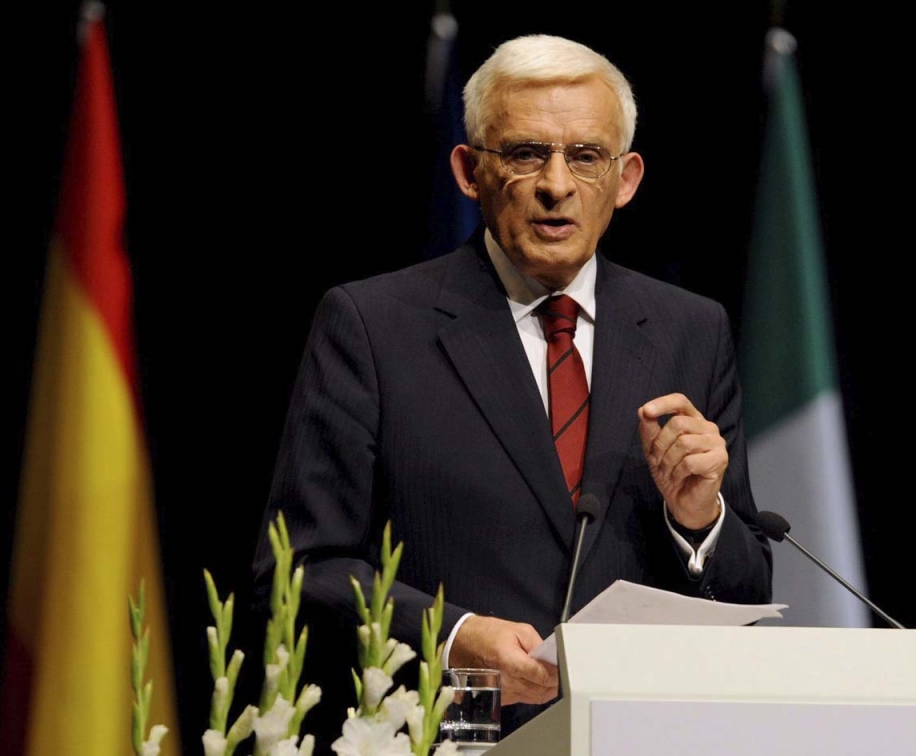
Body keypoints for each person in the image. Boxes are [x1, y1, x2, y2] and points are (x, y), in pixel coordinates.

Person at [253, 33, 772, 752]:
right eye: (526, 154)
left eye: (585, 157)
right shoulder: (373, 327)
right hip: (456, 730)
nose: (556, 184)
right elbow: (302, 571)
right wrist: (454, 634)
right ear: (469, 170)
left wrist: (700, 519)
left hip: (640, 732)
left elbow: (747, 586)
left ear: (625, 179)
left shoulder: (690, 330)